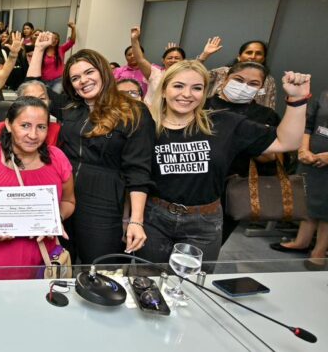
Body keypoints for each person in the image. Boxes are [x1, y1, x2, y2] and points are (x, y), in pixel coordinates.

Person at [139, 60, 310, 264]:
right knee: (147, 277)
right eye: (178, 86)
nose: (187, 94)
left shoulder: (225, 123)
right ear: (164, 90)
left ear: (204, 93)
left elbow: (287, 142)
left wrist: (297, 100)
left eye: (197, 88)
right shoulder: (146, 125)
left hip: (203, 223)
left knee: (192, 280)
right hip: (153, 219)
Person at [28, 32, 154, 264]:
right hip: (63, 197)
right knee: (59, 261)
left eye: (89, 72)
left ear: (103, 72)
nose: (83, 81)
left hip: (103, 202)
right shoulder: (71, 107)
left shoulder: (133, 111)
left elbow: (139, 171)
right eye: (75, 78)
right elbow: (34, 86)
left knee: (99, 266)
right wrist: (39, 49)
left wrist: (136, 220)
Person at [0, 97, 76, 280]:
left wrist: (55, 219)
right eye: (25, 125)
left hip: (41, 253)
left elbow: (68, 201)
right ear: (8, 125)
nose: (33, 135)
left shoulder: (58, 158)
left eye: (41, 127)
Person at [204, 61, 281, 244]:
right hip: (190, 181)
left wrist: (250, 142)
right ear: (226, 78)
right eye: (238, 80)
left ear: (261, 88)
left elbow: (270, 156)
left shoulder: (265, 115)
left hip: (231, 189)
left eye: (253, 84)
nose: (244, 87)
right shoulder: (203, 104)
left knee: (212, 242)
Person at [270, 89, 328, 269]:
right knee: (307, 199)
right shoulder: (324, 95)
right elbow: (308, 124)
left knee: (326, 208)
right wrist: (303, 150)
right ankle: (301, 241)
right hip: (310, 158)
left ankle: (319, 252)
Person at [200, 39, 277, 109]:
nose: (253, 56)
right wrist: (204, 55)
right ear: (239, 57)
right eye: (249, 52)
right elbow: (195, 77)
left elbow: (268, 105)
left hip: (248, 117)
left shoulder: (268, 80)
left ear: (263, 59)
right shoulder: (222, 72)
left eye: (258, 53)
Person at [0, 80, 61, 146]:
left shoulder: (58, 131)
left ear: (49, 102)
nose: (37, 103)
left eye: (42, 98)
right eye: (30, 99)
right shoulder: (1, 128)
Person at [40, 22, 77, 93]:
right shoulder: (42, 51)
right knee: (45, 97)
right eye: (52, 38)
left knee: (55, 96)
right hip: (44, 81)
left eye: (56, 39)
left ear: (58, 40)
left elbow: (71, 41)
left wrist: (73, 28)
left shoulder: (61, 49)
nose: (54, 40)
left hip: (58, 81)